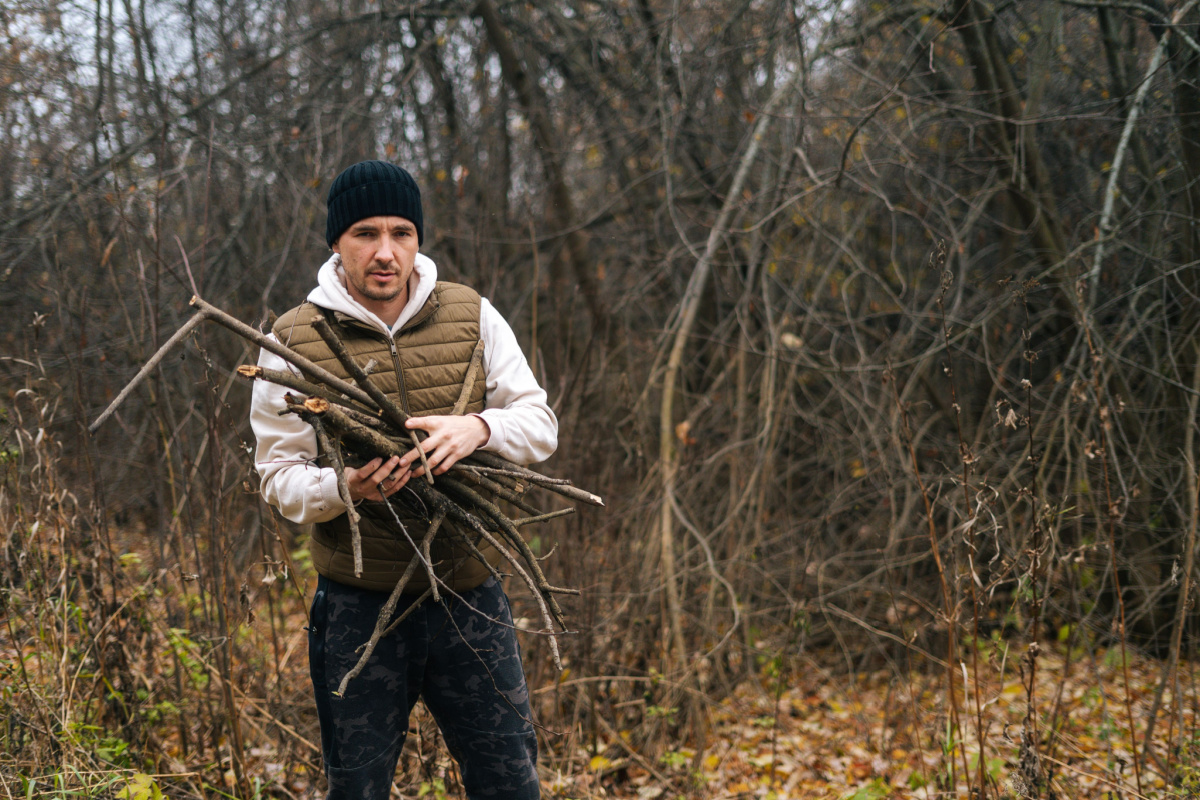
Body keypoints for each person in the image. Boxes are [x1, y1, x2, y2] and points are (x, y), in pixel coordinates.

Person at [249, 160, 555, 799]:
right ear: (336, 241)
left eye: (401, 232)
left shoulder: (472, 313)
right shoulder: (291, 339)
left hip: (469, 598)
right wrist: (344, 491)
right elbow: (278, 481)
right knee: (357, 790)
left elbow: (540, 425)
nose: (385, 252)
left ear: (418, 238)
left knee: (510, 786)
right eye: (365, 233)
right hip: (359, 607)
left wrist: (479, 427)